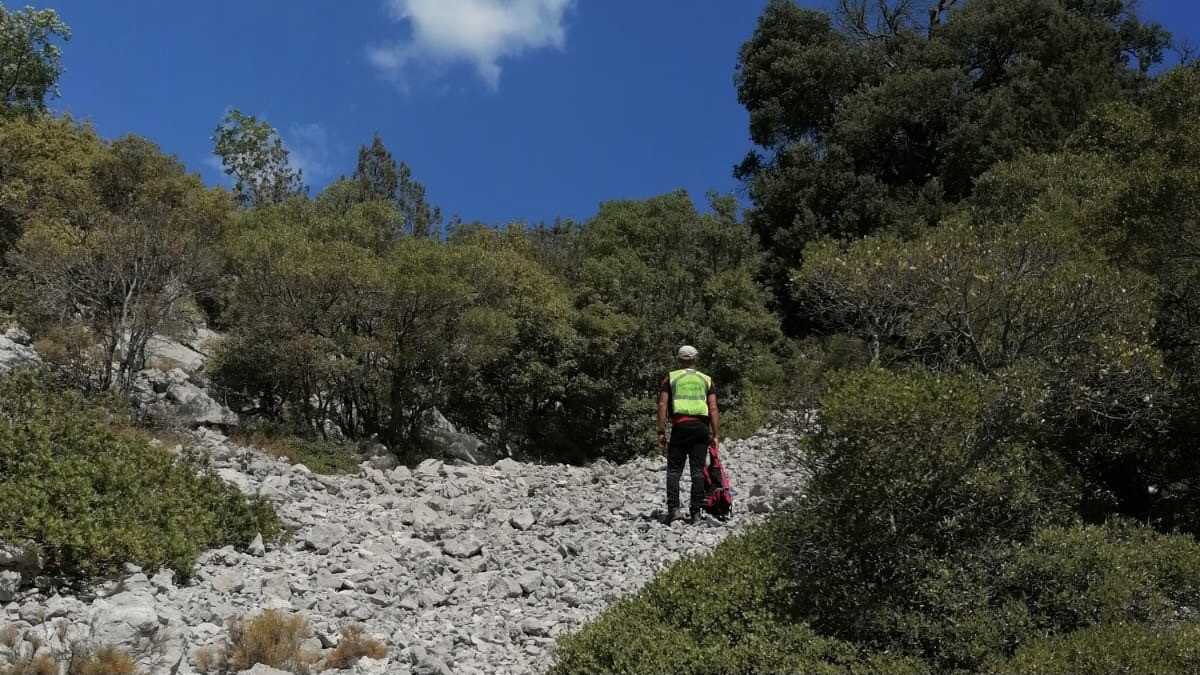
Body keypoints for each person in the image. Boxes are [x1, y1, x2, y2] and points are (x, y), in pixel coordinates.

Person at [658, 345, 719, 524]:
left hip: (680, 426)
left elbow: (662, 405)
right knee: (698, 471)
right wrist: (715, 434)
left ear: (679, 359)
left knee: (674, 471)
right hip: (701, 428)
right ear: (695, 359)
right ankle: (696, 513)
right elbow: (713, 408)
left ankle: (674, 510)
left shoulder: (671, 378)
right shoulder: (706, 379)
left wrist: (661, 431)